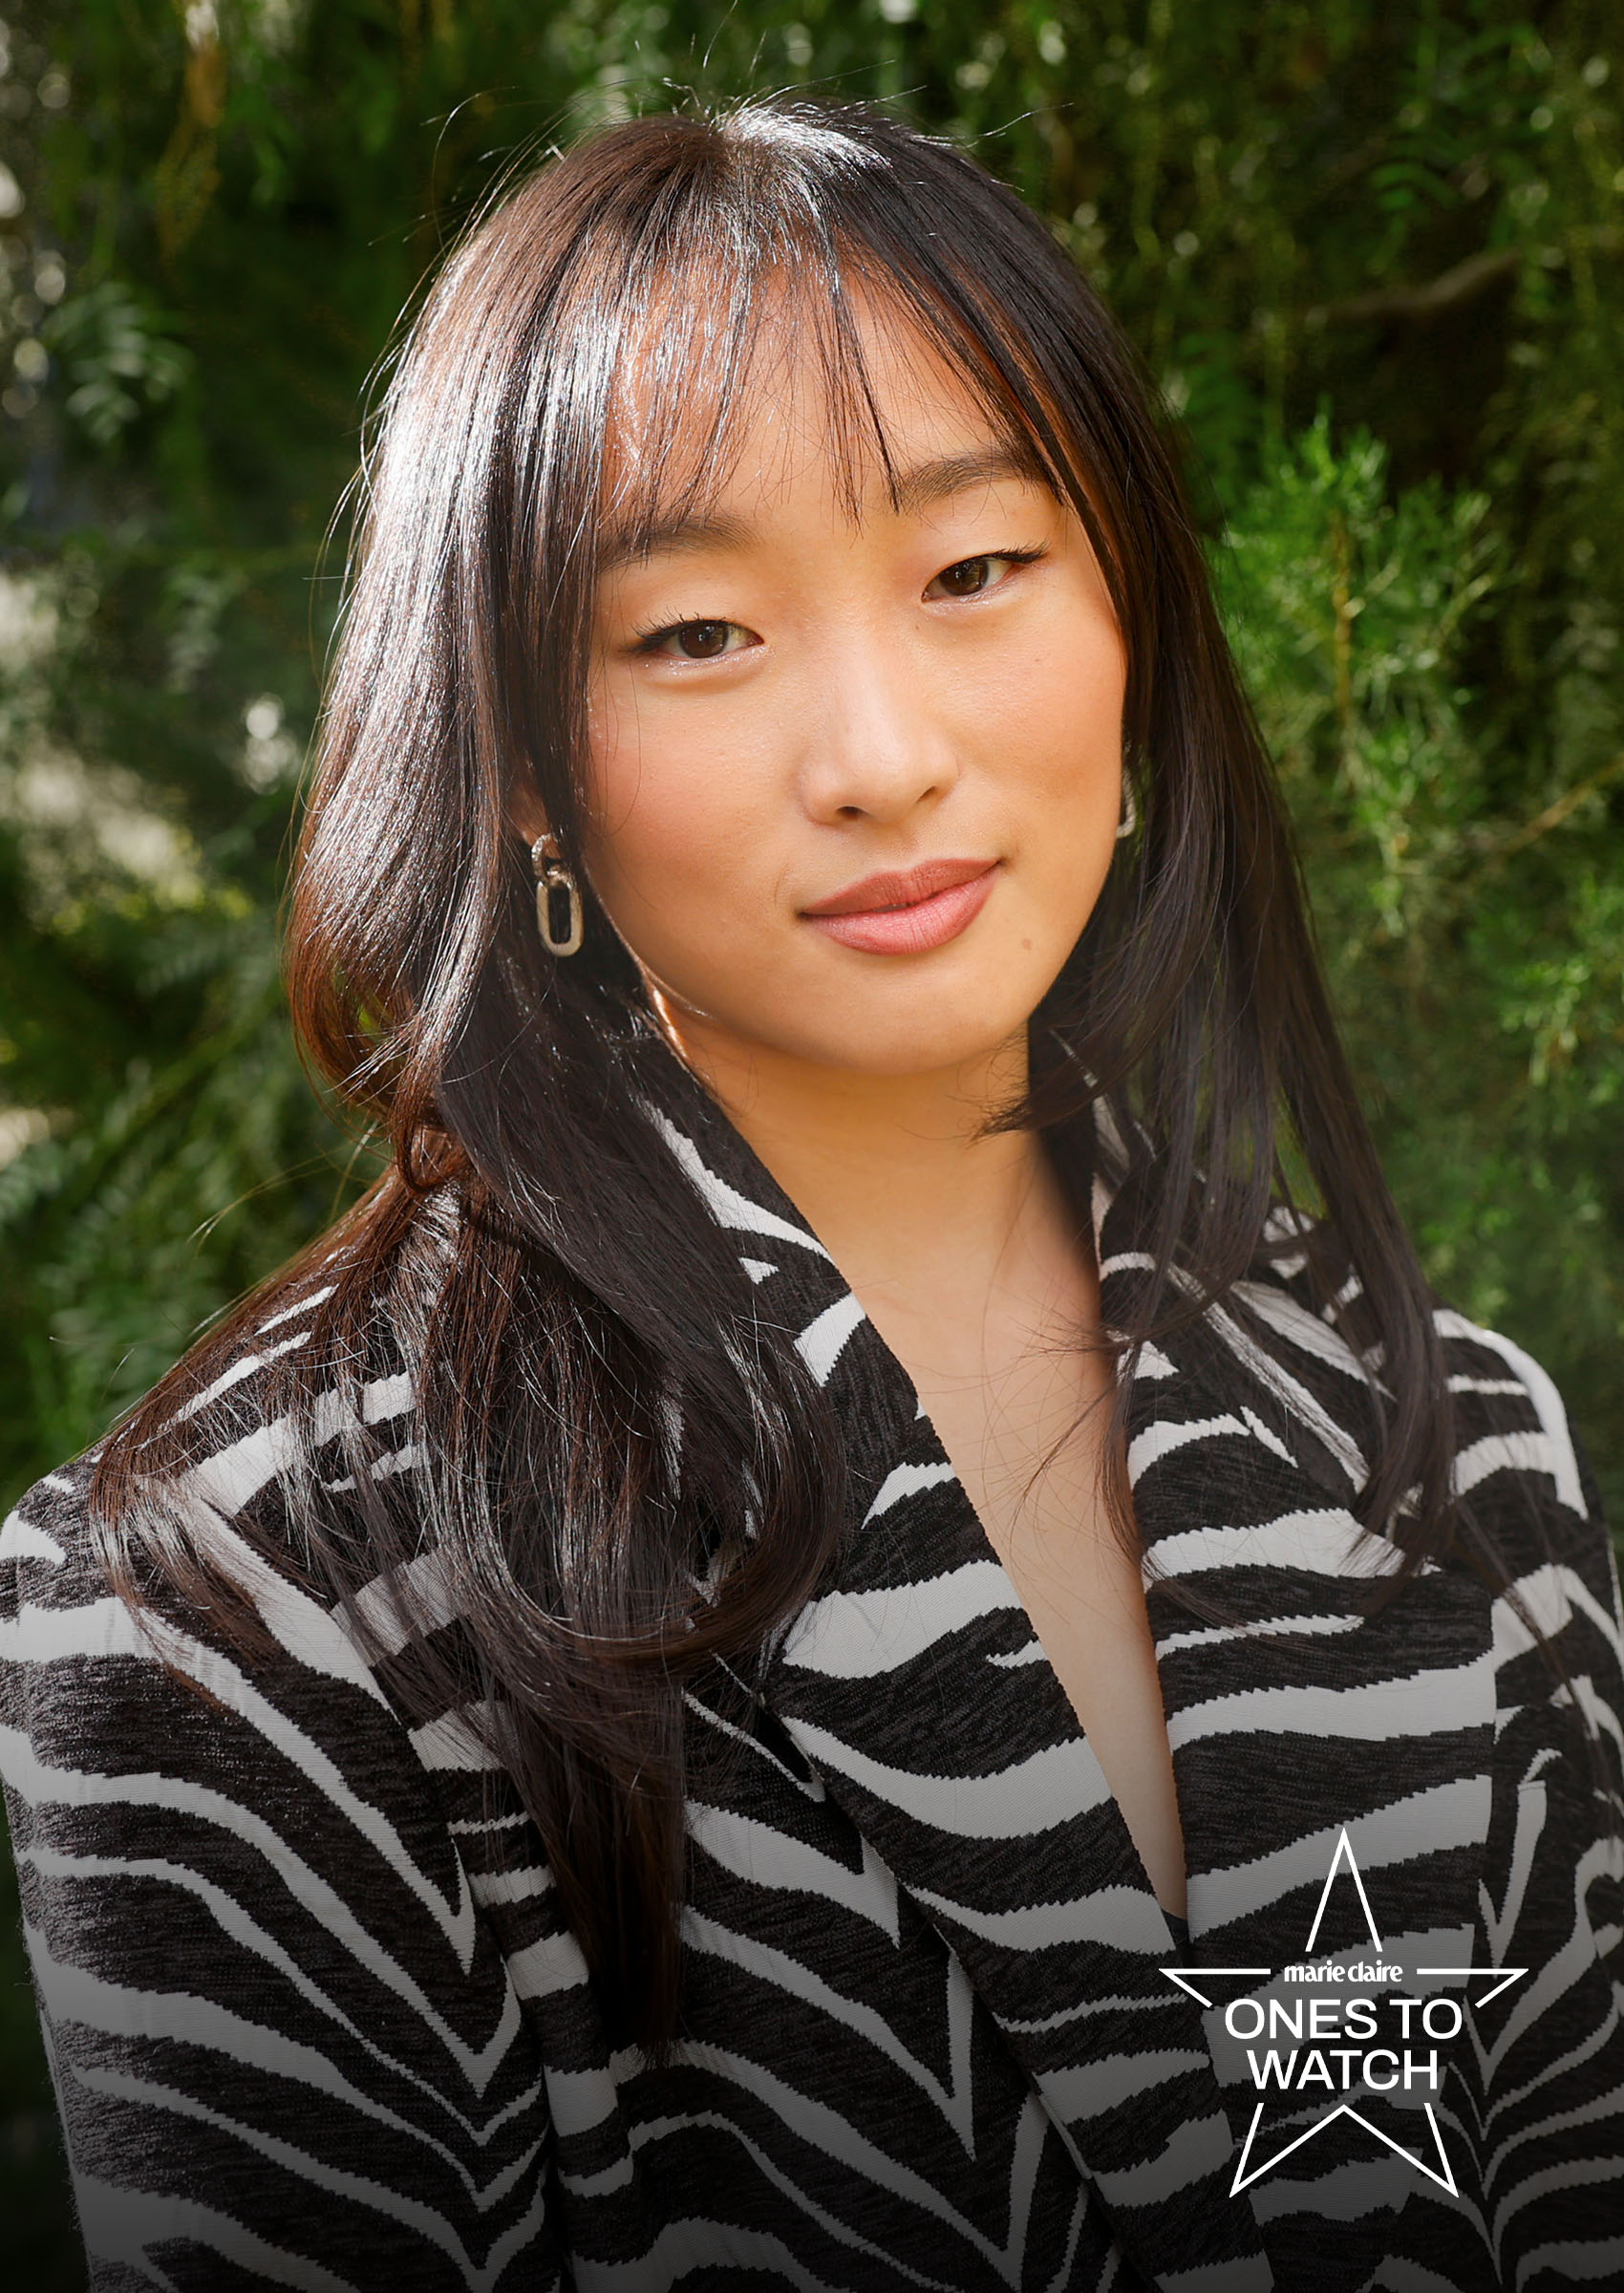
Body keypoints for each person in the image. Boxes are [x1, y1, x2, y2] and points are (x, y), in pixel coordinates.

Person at [1, 98, 1619, 2293]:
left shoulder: (1448, 1443)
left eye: (973, 574)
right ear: (523, 767)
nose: (877, 748)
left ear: (1128, 620)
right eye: (695, 634)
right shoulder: (231, 1597)